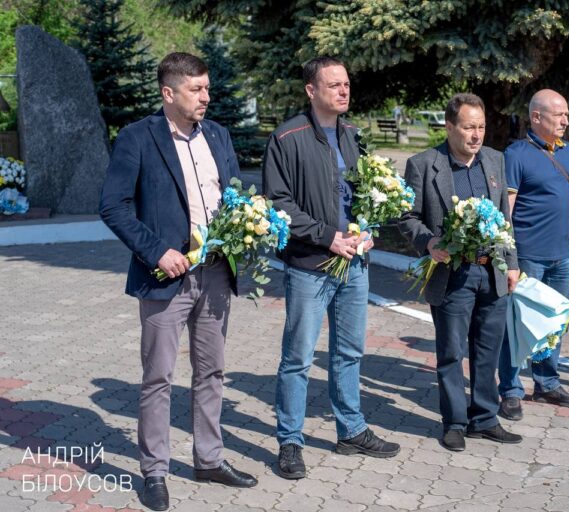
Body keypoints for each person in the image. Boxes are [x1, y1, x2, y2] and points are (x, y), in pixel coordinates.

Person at [99, 52, 257, 511]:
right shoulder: (137, 137)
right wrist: (156, 251)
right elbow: (113, 207)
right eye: (196, 89)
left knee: (212, 371)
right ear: (168, 93)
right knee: (158, 377)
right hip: (166, 276)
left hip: (217, 273)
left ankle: (209, 459)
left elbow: (234, 196)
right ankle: (154, 471)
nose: (206, 97)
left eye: (207, 88)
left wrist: (247, 225)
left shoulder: (218, 135)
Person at [263, 56, 400, 480]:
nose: (344, 91)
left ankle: (351, 430)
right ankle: (290, 441)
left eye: (346, 84)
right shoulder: (287, 137)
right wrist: (327, 237)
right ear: (311, 90)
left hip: (354, 263)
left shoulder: (354, 135)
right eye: (334, 84)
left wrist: (369, 230)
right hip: (311, 264)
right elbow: (278, 203)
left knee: (349, 352)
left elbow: (369, 193)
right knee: (298, 357)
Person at [399, 93, 522, 452]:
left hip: (492, 271)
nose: (476, 134)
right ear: (449, 126)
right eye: (469, 127)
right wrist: (429, 242)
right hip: (453, 275)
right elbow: (407, 217)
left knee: (487, 350)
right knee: (452, 352)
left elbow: (505, 217)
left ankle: (484, 418)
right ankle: (454, 422)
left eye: (481, 127)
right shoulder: (424, 164)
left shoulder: (495, 160)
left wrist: (512, 263)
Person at [497, 90, 569, 421]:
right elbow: (507, 209)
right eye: (559, 115)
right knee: (517, 327)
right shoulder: (516, 154)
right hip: (528, 257)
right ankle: (510, 390)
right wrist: (510, 258)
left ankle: (547, 383)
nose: (565, 120)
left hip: (564, 256)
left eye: (566, 114)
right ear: (536, 117)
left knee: (553, 323)